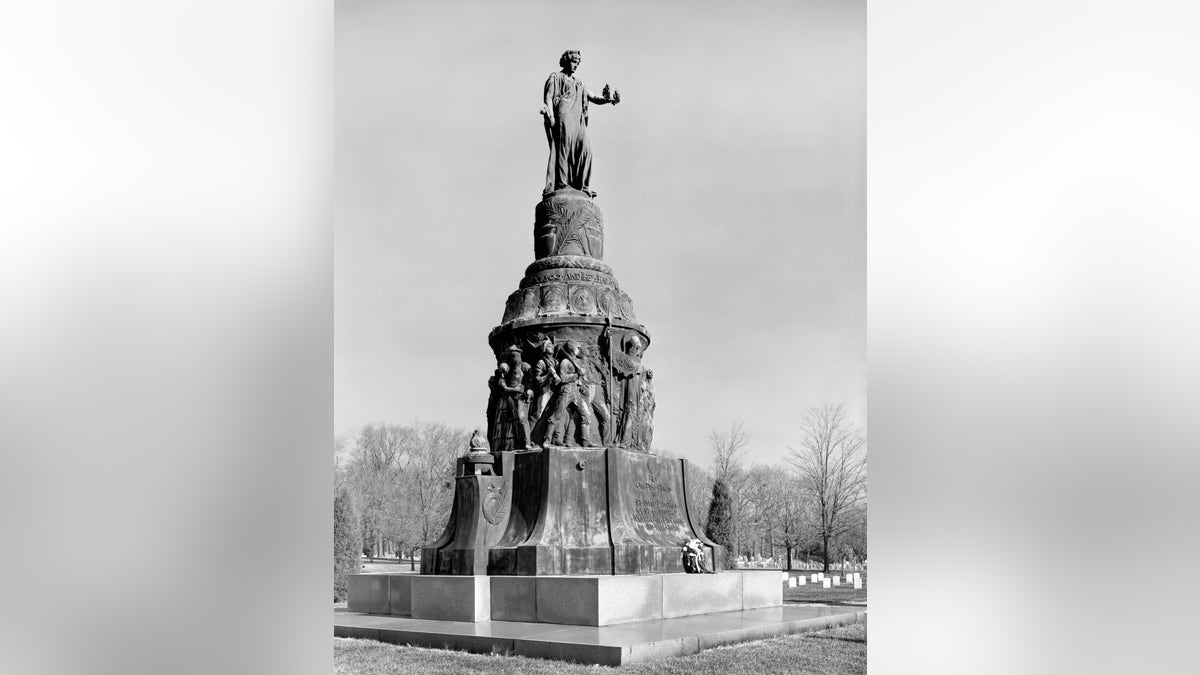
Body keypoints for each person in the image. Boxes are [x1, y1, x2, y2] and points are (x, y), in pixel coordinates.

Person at [542, 50, 619, 197]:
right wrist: (551, 116)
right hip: (563, 115)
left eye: (578, 63)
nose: (576, 65)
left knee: (586, 150)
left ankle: (583, 185)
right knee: (564, 148)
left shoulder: (579, 83)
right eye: (573, 61)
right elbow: (548, 97)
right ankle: (562, 184)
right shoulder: (556, 77)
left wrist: (608, 99)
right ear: (566, 61)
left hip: (578, 120)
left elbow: (594, 97)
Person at [545, 341, 596, 447]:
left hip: (575, 392)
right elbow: (562, 378)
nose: (578, 349)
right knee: (556, 415)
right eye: (577, 347)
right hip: (566, 391)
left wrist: (580, 380)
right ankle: (547, 440)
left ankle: (585, 441)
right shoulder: (565, 362)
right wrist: (576, 375)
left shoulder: (575, 361)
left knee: (586, 414)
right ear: (573, 349)